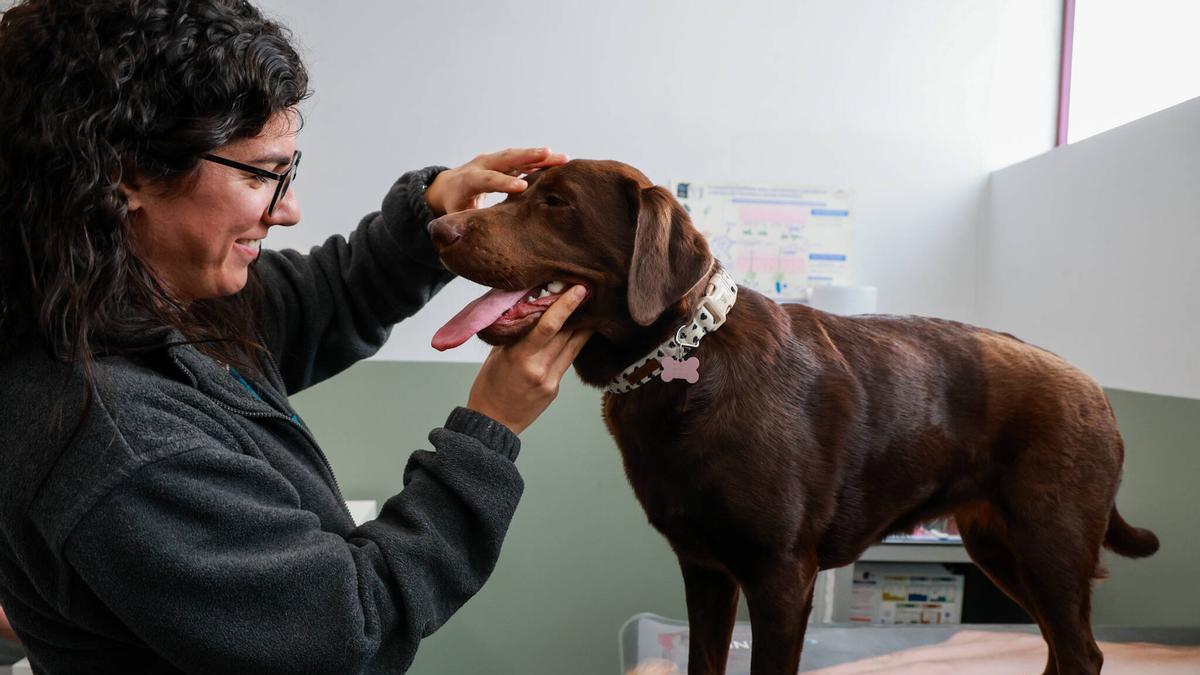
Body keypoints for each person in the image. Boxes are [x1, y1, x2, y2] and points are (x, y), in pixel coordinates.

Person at [0, 0, 591, 672]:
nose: (288, 209)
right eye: (259, 173)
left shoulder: (144, 298)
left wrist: (428, 212)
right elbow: (347, 634)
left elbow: (322, 299)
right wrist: (488, 432)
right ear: (128, 173)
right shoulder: (113, 442)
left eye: (287, 170)